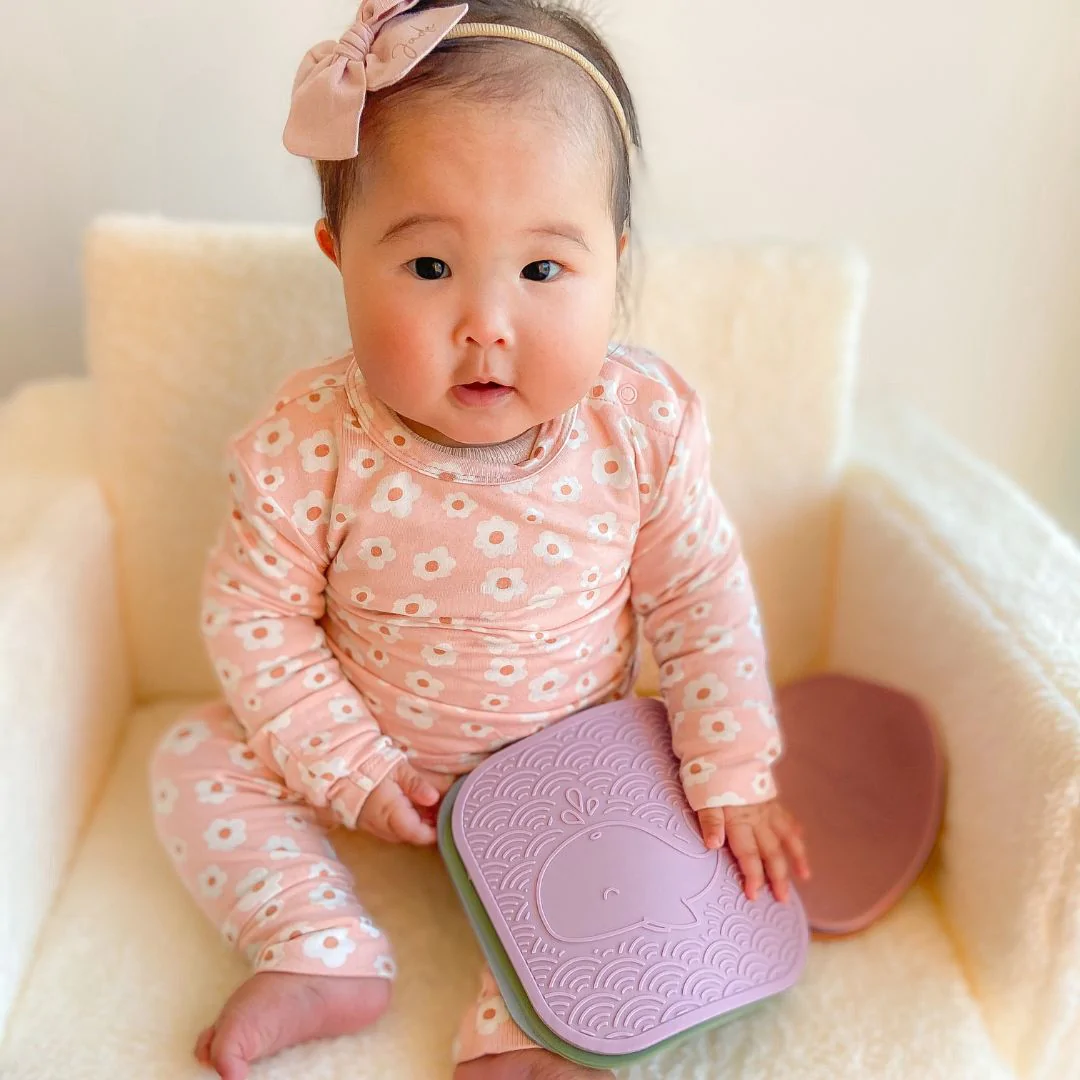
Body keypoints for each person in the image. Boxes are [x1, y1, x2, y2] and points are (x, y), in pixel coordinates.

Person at [149, 2, 811, 1077]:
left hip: (573, 774)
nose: (487, 324)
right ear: (337, 256)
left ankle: (526, 1022)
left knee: (649, 829)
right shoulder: (307, 445)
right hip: (374, 755)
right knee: (196, 757)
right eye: (428, 268)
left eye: (542, 272)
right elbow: (254, 618)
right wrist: (347, 763)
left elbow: (699, 596)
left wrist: (731, 767)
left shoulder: (635, 428)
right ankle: (316, 940)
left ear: (614, 261)